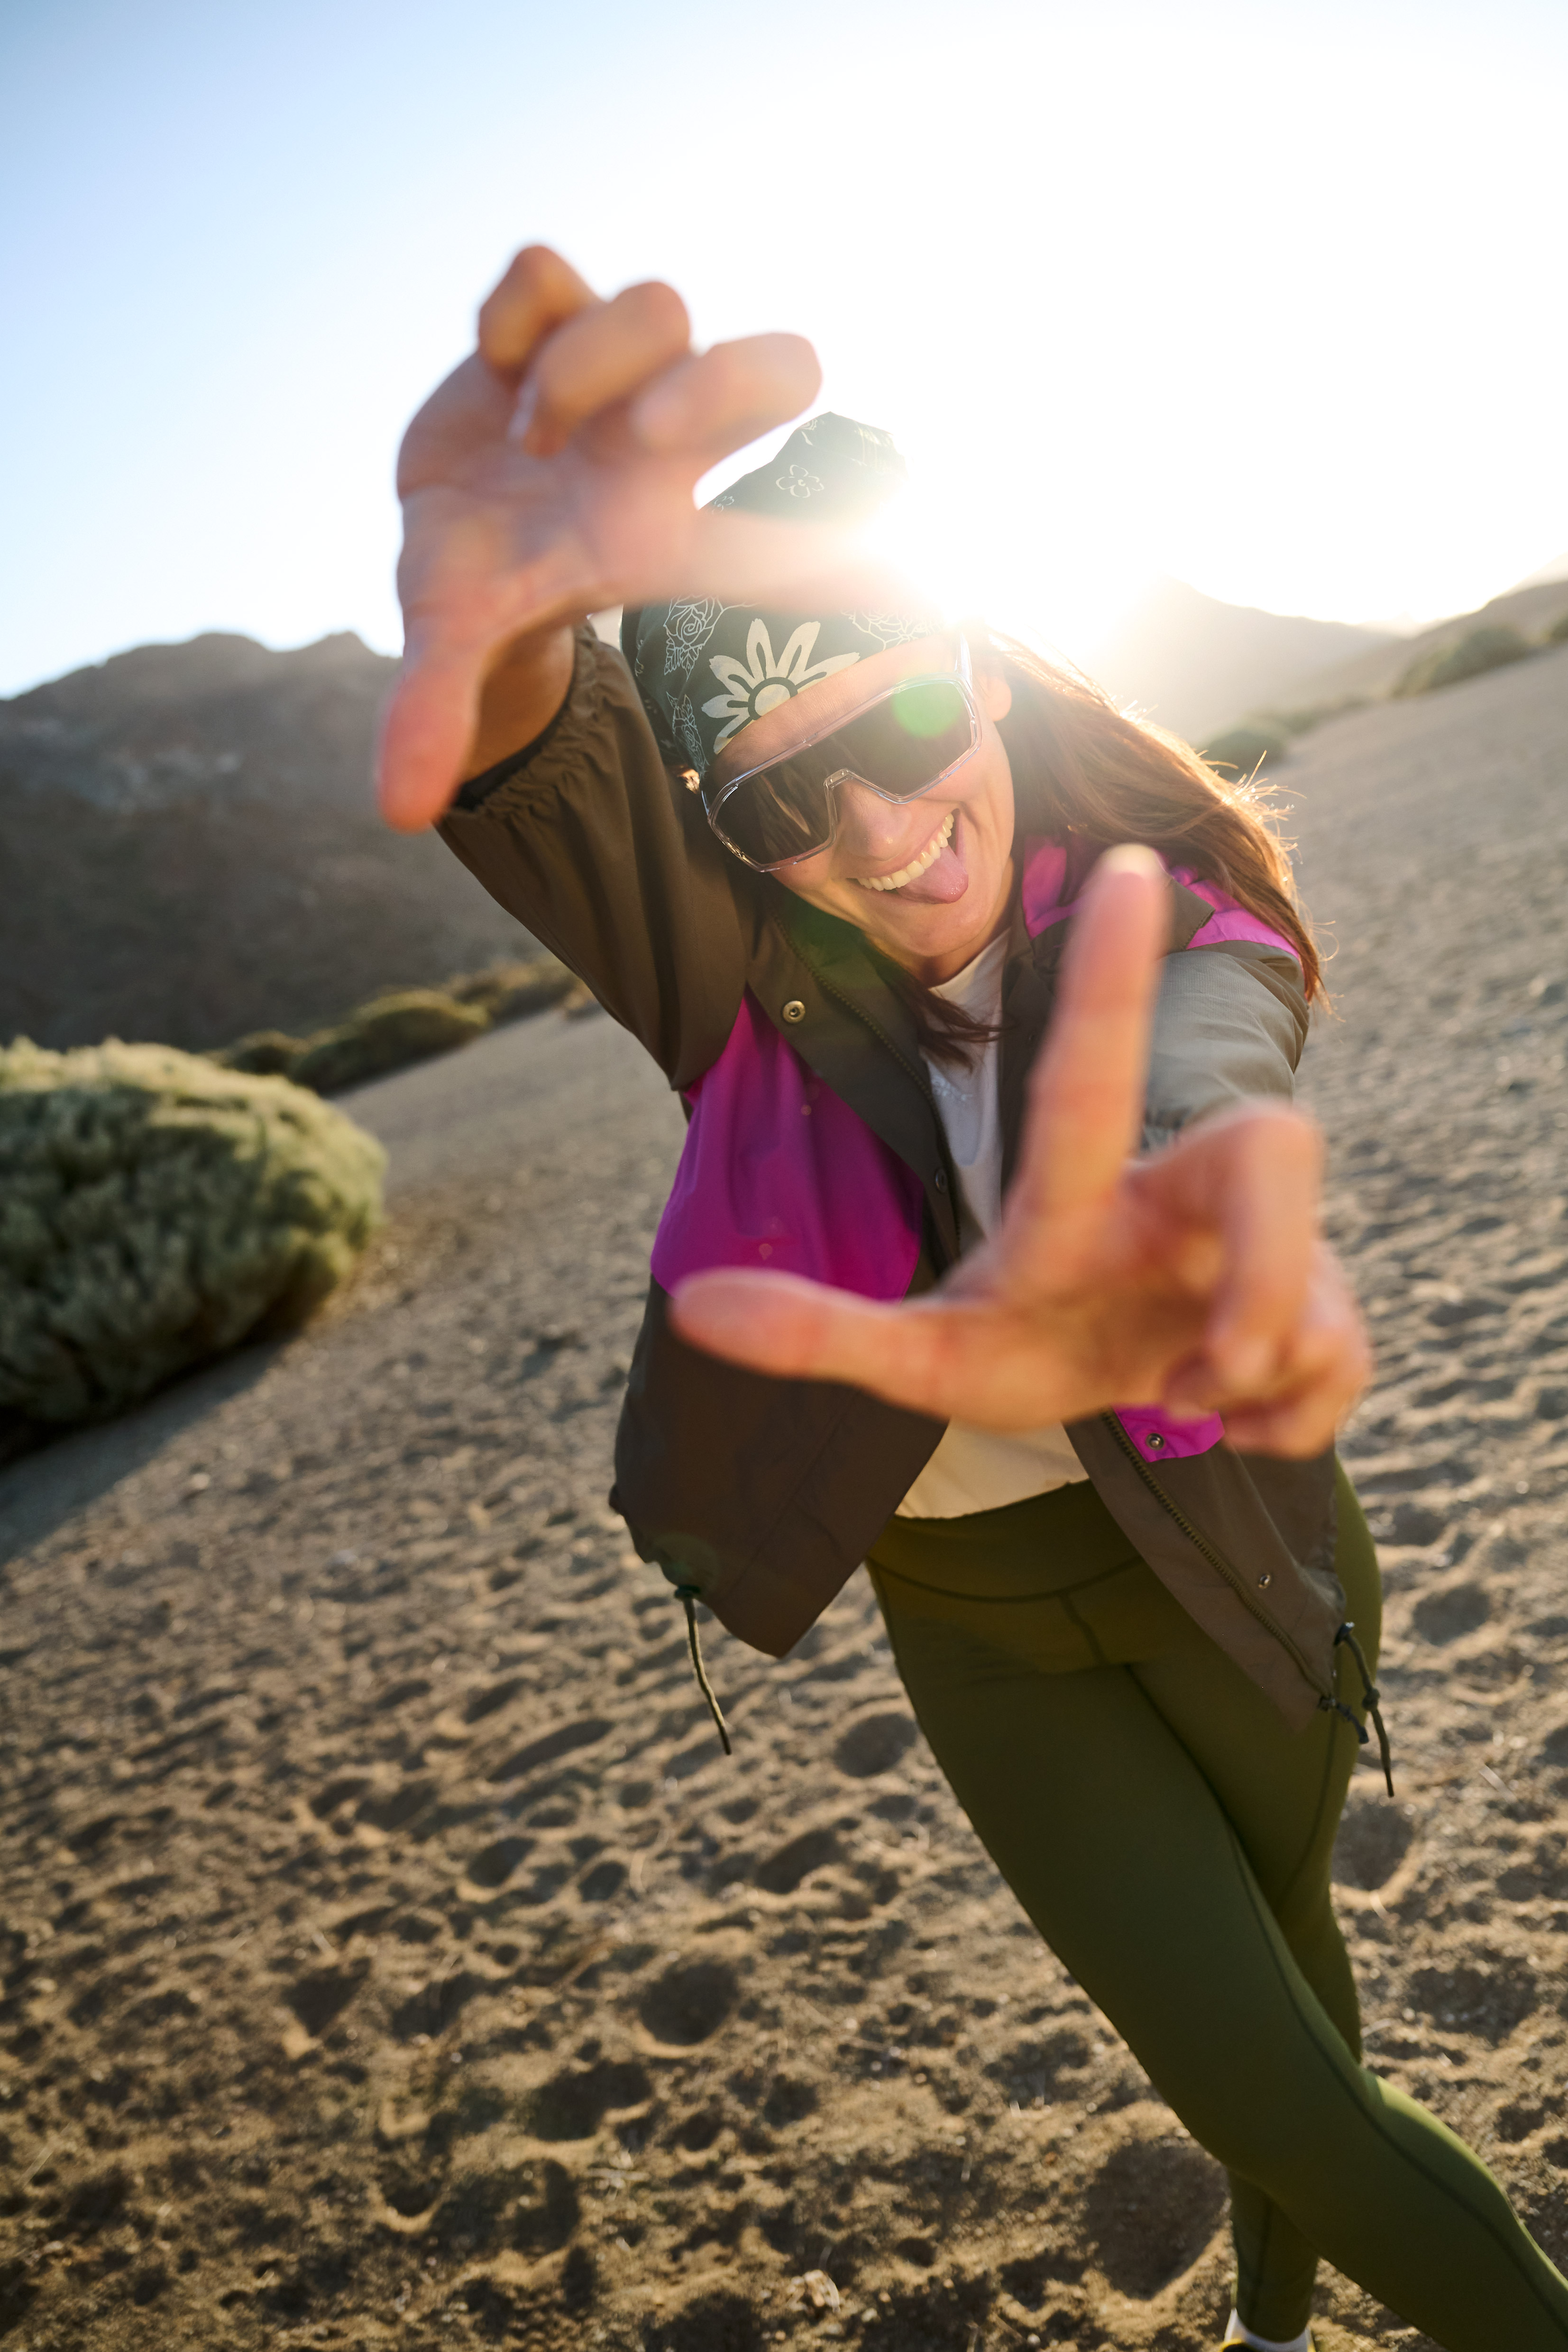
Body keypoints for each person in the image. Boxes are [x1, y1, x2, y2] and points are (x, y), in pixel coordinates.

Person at [378, 246, 1568, 2352]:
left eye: (907, 720)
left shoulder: (1178, 912)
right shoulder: (732, 968)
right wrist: (487, 626)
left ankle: (1275, 2324)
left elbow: (1203, 1067)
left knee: (1289, 2017)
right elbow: (526, 765)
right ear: (732, 831)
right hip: (981, 1631)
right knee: (1258, 2068)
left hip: (1234, 1549)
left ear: (984, 670)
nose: (877, 828)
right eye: (779, 798)